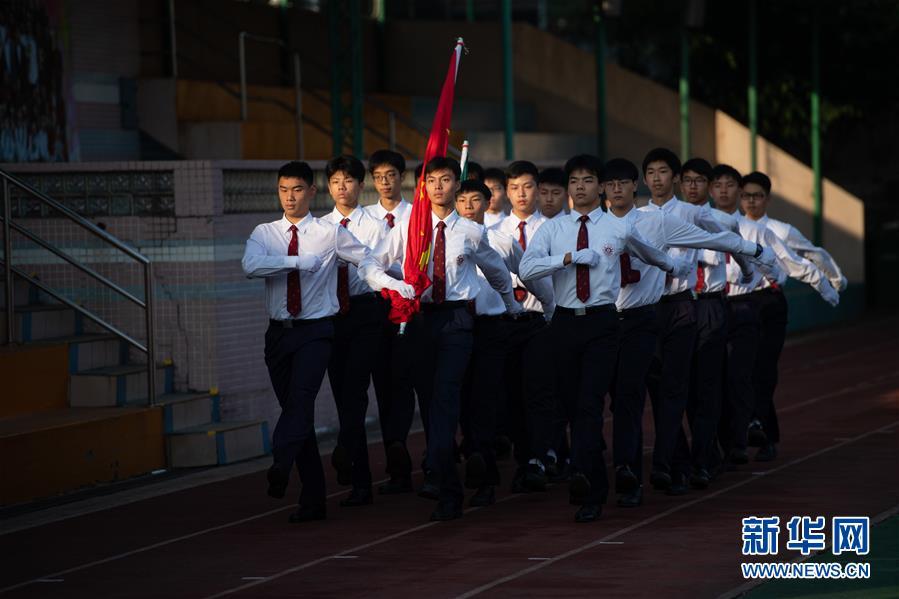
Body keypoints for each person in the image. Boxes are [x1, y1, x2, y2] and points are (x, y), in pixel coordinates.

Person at [241, 161, 409, 523]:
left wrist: (392, 285)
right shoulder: (265, 232)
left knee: (304, 400)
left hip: (318, 330)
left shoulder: (328, 233)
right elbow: (251, 265)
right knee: (294, 411)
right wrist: (298, 262)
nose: (289, 197)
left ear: (310, 192)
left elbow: (365, 263)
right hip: (278, 334)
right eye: (284, 189)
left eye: (297, 189)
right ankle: (313, 497)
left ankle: (282, 464)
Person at [519, 154, 682, 523]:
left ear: (600, 186)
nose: (580, 187)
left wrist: (675, 266)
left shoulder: (617, 228)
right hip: (564, 322)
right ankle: (586, 471)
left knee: (592, 402)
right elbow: (527, 269)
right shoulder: (552, 230)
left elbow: (650, 254)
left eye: (588, 180)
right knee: (573, 405)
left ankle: (588, 483)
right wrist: (567, 259)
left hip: (603, 324)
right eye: (574, 181)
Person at [359, 156, 519, 522]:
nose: (438, 187)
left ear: (456, 186)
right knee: (432, 402)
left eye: (445, 180)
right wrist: (395, 285)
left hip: (458, 320)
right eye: (431, 181)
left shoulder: (471, 231)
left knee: (446, 398)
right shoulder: (408, 229)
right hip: (419, 320)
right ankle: (445, 474)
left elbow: (496, 272)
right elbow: (370, 265)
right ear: (423, 186)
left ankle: (447, 483)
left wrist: (511, 306)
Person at [602, 157, 768, 506]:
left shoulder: (687, 214)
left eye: (664, 172)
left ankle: (684, 461)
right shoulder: (626, 220)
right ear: (643, 180)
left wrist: (749, 259)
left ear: (673, 178)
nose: (658, 178)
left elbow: (722, 234)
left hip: (682, 304)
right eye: (652, 172)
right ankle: (661, 463)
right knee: (644, 392)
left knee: (686, 388)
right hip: (635, 312)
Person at [739, 171, 841, 461]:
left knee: (764, 369)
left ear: (767, 199)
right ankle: (745, 431)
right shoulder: (731, 226)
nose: (751, 201)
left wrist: (835, 281)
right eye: (746, 195)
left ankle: (765, 434)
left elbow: (813, 254)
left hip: (769, 302)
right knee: (740, 371)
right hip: (737, 303)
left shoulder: (781, 231)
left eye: (757, 196)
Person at [454, 179, 543, 506]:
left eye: (474, 200)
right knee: (464, 398)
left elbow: (530, 275)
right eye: (461, 200)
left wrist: (547, 309)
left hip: (495, 328)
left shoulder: (502, 241)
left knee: (492, 399)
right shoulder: (446, 242)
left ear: (487, 202)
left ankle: (495, 471)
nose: (467, 207)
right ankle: (474, 457)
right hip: (459, 326)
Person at [320, 156, 391, 508]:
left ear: (361, 186)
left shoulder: (377, 226)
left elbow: (380, 267)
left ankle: (350, 454)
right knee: (344, 395)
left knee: (357, 388)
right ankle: (356, 471)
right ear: (328, 187)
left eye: (349, 180)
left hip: (366, 311)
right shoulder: (319, 228)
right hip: (332, 314)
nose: (342, 187)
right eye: (336, 181)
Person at [365, 150, 418, 494]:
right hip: (375, 310)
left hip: (413, 310)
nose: (385, 182)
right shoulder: (363, 219)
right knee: (384, 383)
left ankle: (430, 453)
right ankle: (395, 454)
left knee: (409, 380)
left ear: (403, 178)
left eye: (391, 175)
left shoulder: (417, 216)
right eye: (379, 176)